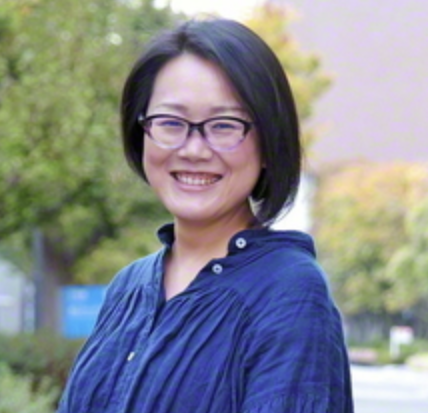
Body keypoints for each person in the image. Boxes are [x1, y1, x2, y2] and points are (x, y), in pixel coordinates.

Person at [58, 18, 354, 413]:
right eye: (170, 122)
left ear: (268, 144)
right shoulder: (128, 287)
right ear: (140, 132)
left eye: (224, 125)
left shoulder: (289, 292)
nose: (194, 150)